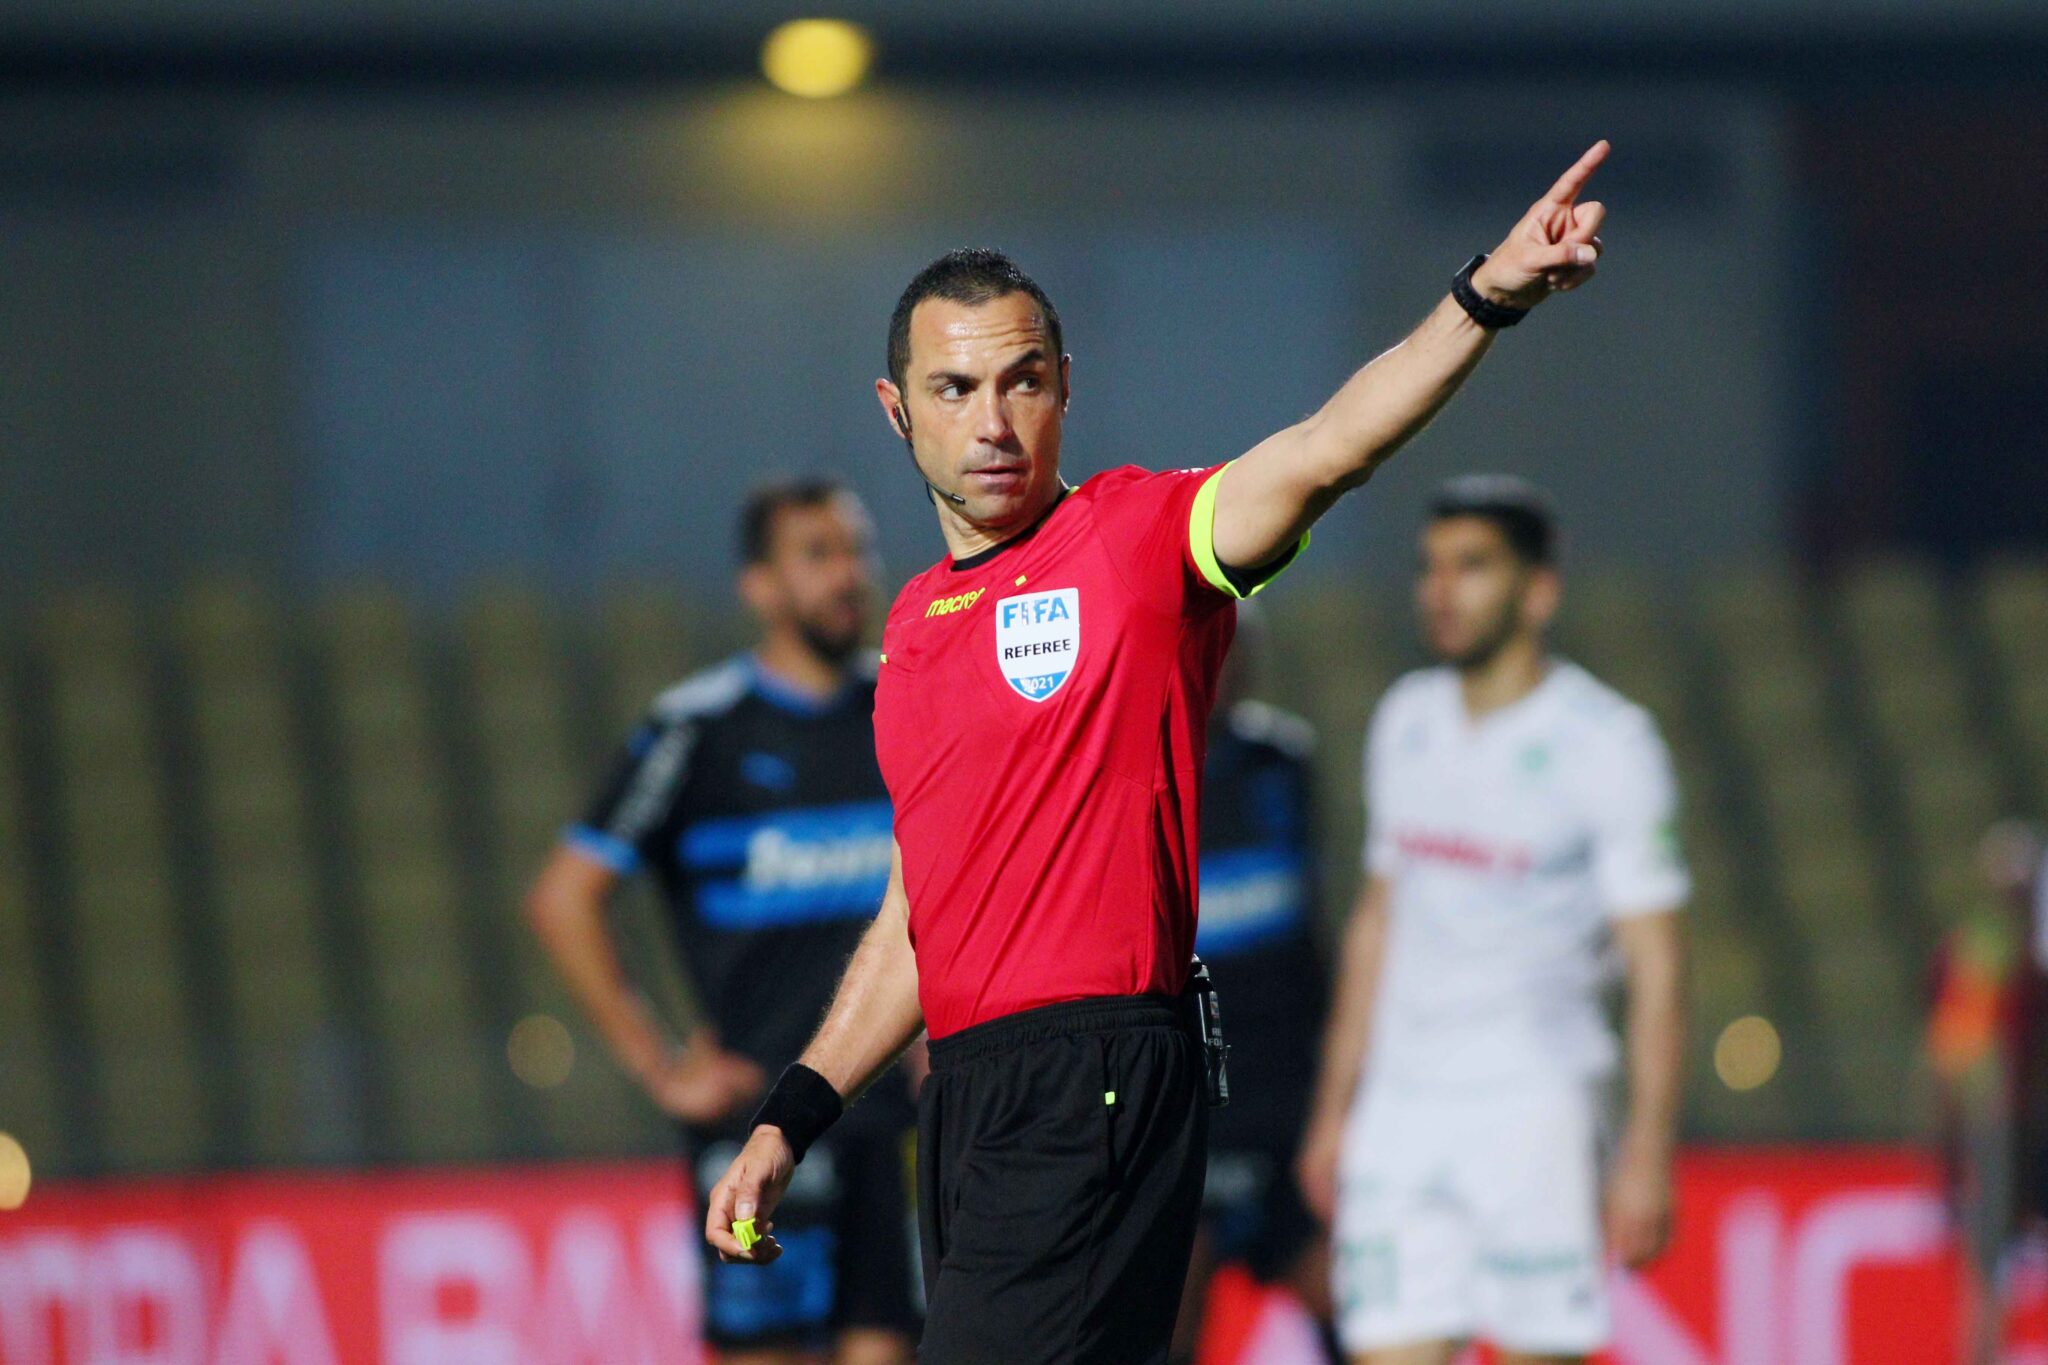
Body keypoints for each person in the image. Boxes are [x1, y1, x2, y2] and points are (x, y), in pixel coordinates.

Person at [707, 141, 1616, 1365]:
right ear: (897, 409)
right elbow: (919, 916)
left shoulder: (1137, 539)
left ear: (1064, 388)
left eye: (1021, 383)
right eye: (955, 389)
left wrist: (1484, 295)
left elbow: (1327, 448)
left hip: (1097, 1070)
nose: (992, 423)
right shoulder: (913, 633)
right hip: (965, 1095)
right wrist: (792, 1115)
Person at [1296, 476, 1690, 1365]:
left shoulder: (1608, 745)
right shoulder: (1405, 720)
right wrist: (1335, 1108)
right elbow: (1377, 922)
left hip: (1535, 1110)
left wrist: (1647, 1149)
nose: (1442, 590)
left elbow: (1657, 961)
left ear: (1538, 590)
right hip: (1401, 1110)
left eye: (1472, 566)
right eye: (1431, 567)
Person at [525, 480, 920, 1365]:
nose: (848, 574)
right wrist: (661, 1064)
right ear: (759, 586)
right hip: (753, 1121)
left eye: (856, 551)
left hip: (888, 1119)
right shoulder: (695, 731)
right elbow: (564, 896)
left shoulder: (906, 705)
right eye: (817, 554)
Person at [1171, 604, 1337, 1364]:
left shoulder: (1285, 763)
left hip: (1286, 1109)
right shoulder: (1130, 773)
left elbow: (1314, 931)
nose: (1225, 661)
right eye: (1207, 644)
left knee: (1361, 1314)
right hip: (1184, 1117)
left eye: (1236, 645)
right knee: (1167, 1331)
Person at [1929, 819, 2048, 1365]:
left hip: (2018, 1120)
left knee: (1991, 1267)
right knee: (1988, 1269)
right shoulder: (1984, 947)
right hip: (2001, 1123)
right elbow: (1959, 1050)